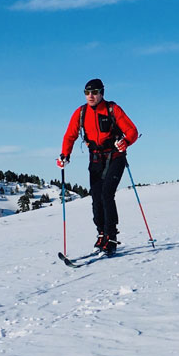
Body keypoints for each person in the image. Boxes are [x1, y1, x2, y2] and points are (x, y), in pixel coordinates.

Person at [57, 78, 139, 256]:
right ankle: (101, 233)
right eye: (87, 93)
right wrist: (65, 155)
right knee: (96, 197)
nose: (90, 96)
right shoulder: (81, 113)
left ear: (102, 93)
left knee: (106, 194)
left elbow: (132, 131)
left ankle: (111, 237)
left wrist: (125, 142)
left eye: (94, 92)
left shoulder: (112, 109)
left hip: (115, 157)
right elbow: (70, 135)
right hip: (95, 159)